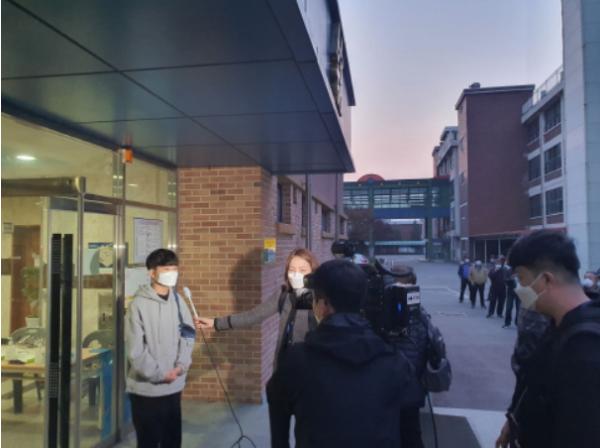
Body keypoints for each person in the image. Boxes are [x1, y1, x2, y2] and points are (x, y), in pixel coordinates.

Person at [266, 259, 419, 448]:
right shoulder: (396, 364)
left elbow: (277, 414)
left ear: (322, 305)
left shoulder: (296, 362)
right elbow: (412, 437)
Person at [495, 230, 600, 448]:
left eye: (521, 279)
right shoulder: (557, 326)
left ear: (545, 279)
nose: (519, 289)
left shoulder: (585, 350)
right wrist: (515, 417)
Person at [195, 248, 318, 367]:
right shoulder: (283, 295)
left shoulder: (320, 299)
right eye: (292, 270)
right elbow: (254, 315)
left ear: (313, 272)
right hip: (283, 370)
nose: (296, 275)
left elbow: (307, 330)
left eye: (302, 270)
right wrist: (215, 323)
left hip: (311, 372)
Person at [125, 249, 196, 448]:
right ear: (152, 272)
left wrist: (181, 366)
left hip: (173, 386)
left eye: (174, 269)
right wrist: (159, 374)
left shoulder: (178, 301)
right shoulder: (138, 305)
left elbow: (188, 335)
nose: (172, 273)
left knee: (172, 441)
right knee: (148, 442)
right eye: (166, 269)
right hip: (146, 390)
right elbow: (135, 349)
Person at [390, 265, 449, 448]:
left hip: (396, 389)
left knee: (403, 434)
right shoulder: (420, 314)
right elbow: (437, 348)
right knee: (411, 434)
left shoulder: (392, 313)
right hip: (412, 389)